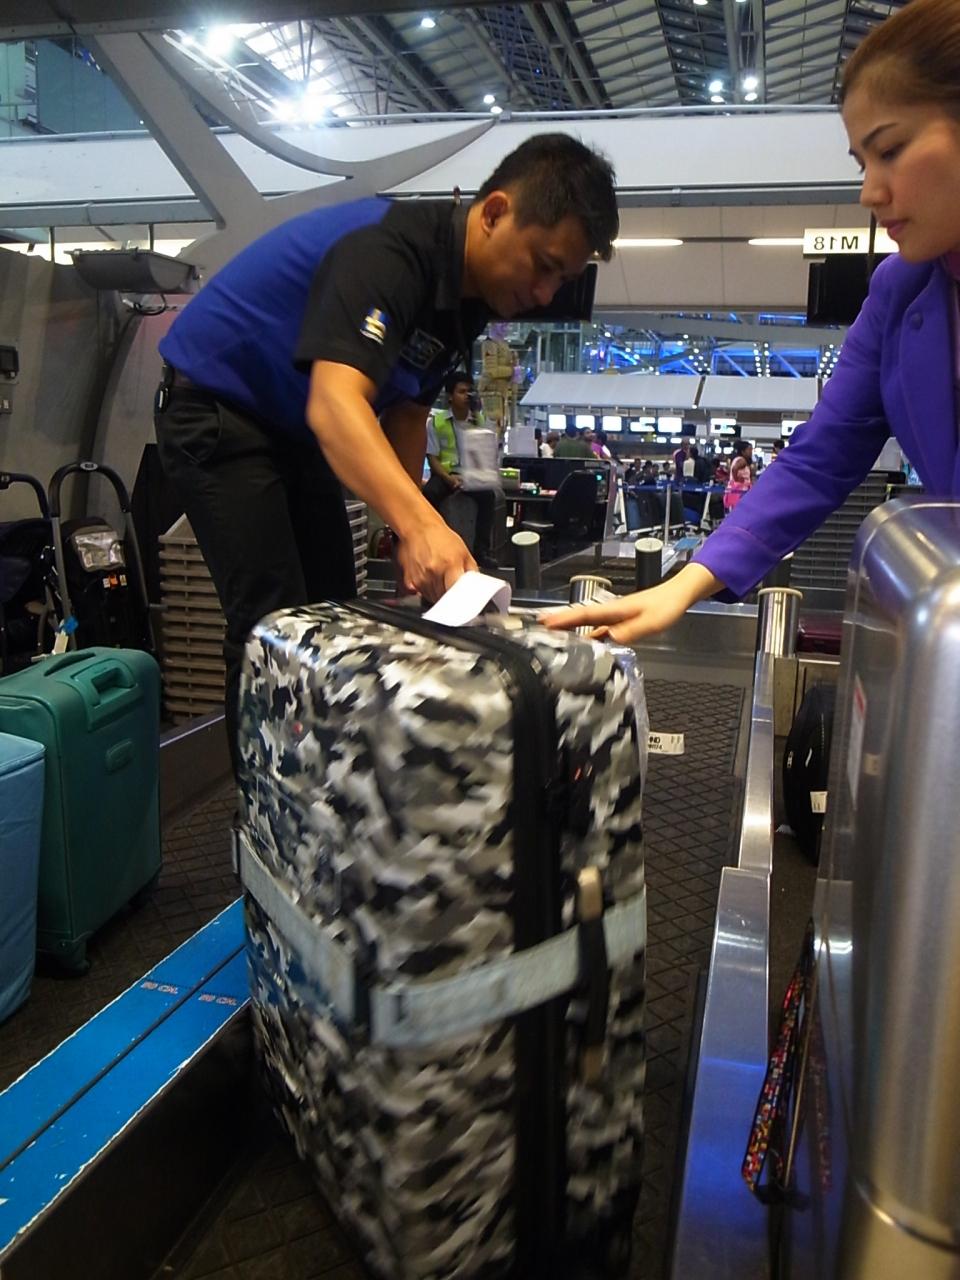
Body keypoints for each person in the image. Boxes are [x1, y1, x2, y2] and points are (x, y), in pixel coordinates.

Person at [154, 132, 619, 767]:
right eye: (543, 265)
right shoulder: (391, 252)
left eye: (561, 279)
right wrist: (421, 526)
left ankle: (327, 779)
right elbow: (335, 403)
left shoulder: (469, 299)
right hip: (219, 410)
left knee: (334, 617)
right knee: (274, 625)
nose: (545, 294)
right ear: (494, 212)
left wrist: (404, 531)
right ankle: (267, 804)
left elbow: (407, 409)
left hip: (291, 432)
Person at [544, 0, 960, 644]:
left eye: (891, 150)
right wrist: (685, 583)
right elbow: (819, 457)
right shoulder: (899, 293)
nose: (869, 192)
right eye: (862, 164)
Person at [425, 371, 498, 570]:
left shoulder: (479, 420)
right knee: (429, 495)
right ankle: (432, 547)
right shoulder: (436, 422)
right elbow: (432, 458)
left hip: (471, 475)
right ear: (450, 396)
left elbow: (487, 451)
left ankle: (481, 552)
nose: (467, 396)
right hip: (445, 475)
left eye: (469, 392)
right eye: (462, 391)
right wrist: (448, 478)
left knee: (488, 497)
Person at [723, 439, 753, 512]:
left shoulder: (736, 459)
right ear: (743, 451)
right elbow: (734, 469)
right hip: (740, 491)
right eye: (749, 450)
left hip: (736, 490)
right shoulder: (742, 460)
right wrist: (737, 479)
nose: (751, 452)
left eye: (751, 450)